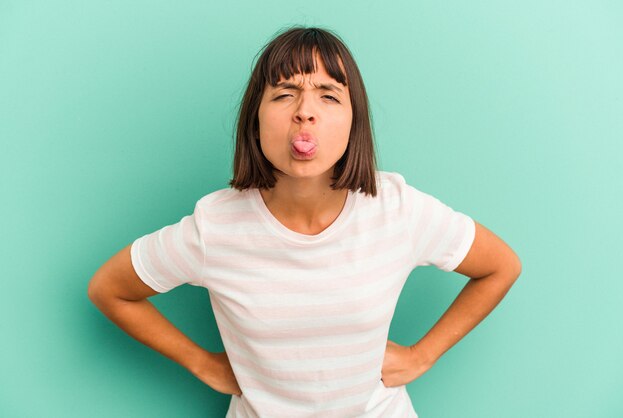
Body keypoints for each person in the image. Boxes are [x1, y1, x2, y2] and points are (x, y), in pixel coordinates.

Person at [88, 26, 522, 418]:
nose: (304, 112)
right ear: (254, 119)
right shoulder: (215, 226)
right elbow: (110, 289)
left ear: (355, 123)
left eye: (329, 96)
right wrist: (203, 363)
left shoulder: (397, 209)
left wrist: (423, 355)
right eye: (283, 94)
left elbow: (501, 265)